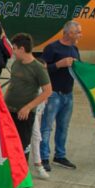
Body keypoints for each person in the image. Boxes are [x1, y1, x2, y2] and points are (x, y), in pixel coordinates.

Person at [39, 20, 82, 172]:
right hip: (53, 94)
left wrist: (78, 66)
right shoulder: (52, 48)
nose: (80, 35)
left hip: (68, 95)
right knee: (46, 127)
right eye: (78, 32)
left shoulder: (75, 49)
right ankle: (43, 157)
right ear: (68, 33)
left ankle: (60, 155)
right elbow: (42, 70)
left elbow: (80, 71)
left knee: (63, 127)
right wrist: (58, 64)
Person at [4, 33, 51, 163]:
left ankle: (21, 177)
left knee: (22, 147)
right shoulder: (15, 64)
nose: (13, 51)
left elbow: (47, 91)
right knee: (8, 146)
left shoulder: (38, 68)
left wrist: (28, 108)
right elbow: (11, 85)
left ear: (22, 49)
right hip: (9, 112)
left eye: (14, 48)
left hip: (24, 115)